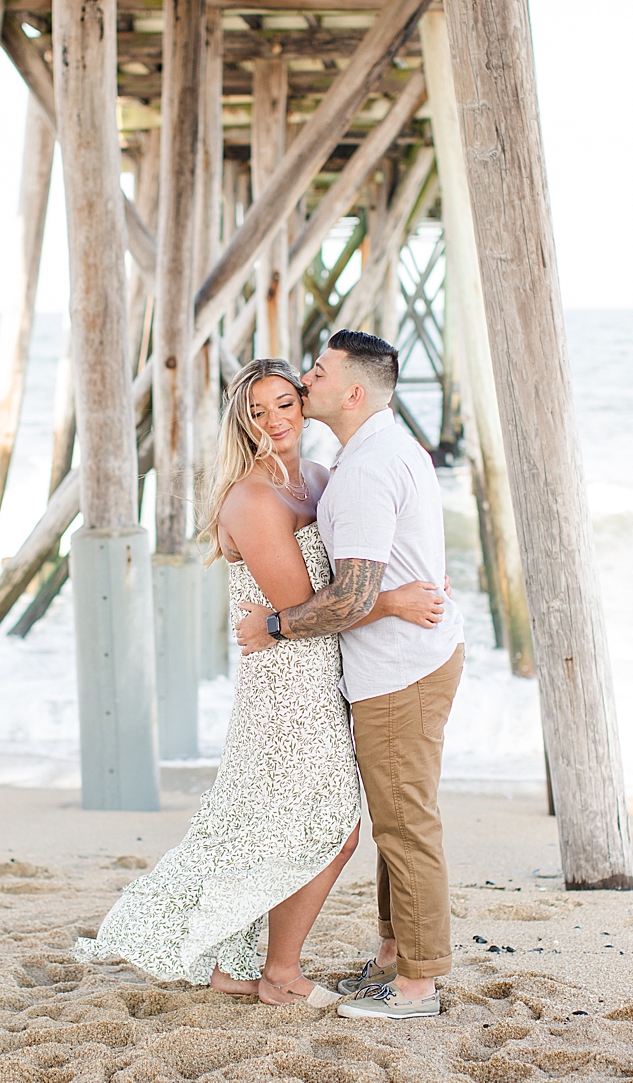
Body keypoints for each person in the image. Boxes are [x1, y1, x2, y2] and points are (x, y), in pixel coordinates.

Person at [74, 359, 445, 1007]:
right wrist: (393, 602)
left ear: (305, 405)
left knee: (268, 825)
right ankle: (280, 973)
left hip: (326, 668)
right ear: (241, 422)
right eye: (258, 411)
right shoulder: (253, 496)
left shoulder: (322, 480)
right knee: (330, 828)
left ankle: (237, 966)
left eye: (285, 404)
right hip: (288, 683)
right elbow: (300, 603)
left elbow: (339, 587)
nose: (275, 421)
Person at [235, 330, 466, 1021]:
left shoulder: (362, 470)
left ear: (352, 392)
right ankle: (396, 956)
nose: (305, 384)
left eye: (316, 372)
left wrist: (271, 626)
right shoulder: (382, 449)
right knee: (399, 818)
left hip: (399, 669)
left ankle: (417, 987)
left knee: (405, 828)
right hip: (411, 657)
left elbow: (352, 598)